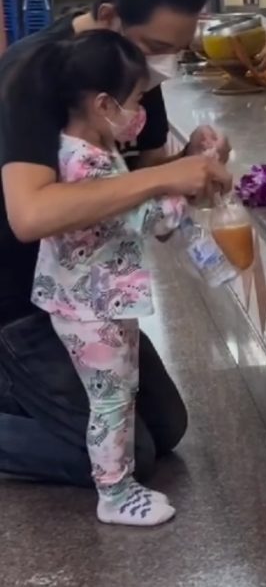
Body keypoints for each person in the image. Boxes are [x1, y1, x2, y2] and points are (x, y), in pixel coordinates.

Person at [0, 0, 232, 487]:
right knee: (124, 459)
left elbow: (141, 174)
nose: (163, 66)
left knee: (165, 427)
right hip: (21, 300)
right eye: (156, 47)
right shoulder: (33, 72)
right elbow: (31, 214)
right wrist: (163, 178)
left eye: (177, 52)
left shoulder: (135, 73)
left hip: (90, 292)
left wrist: (192, 162)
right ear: (109, 18)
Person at [24, 31, 186, 525]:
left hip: (91, 300)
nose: (141, 111)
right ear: (103, 103)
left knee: (119, 394)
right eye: (136, 99)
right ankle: (114, 495)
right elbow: (147, 218)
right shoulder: (87, 164)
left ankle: (119, 483)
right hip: (90, 308)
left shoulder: (85, 145)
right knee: (111, 401)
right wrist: (190, 188)